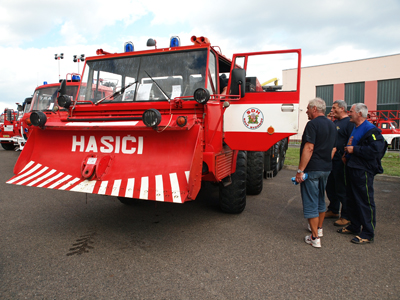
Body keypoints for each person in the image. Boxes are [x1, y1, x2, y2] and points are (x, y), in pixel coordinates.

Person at [337, 103, 386, 244]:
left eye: (351, 111)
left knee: (364, 201)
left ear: (359, 113)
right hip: (352, 168)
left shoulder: (371, 130)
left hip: (362, 170)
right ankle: (354, 226)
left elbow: (376, 151)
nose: (348, 113)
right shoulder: (355, 128)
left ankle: (367, 233)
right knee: (351, 199)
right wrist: (347, 154)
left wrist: (354, 150)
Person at [296, 98, 337, 248]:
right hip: (326, 169)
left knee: (310, 202)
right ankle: (319, 230)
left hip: (312, 170)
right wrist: (325, 162)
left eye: (307, 108)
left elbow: (309, 148)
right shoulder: (332, 125)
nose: (306, 111)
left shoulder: (312, 125)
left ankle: (314, 238)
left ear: (314, 109)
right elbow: (333, 149)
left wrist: (300, 171)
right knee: (320, 200)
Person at [325, 100, 355, 226]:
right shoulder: (335, 122)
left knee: (342, 187)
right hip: (332, 160)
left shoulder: (348, 123)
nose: (332, 110)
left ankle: (346, 215)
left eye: (334, 108)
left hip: (341, 160)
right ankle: (333, 209)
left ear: (342, 108)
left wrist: (345, 155)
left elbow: (351, 140)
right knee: (331, 186)